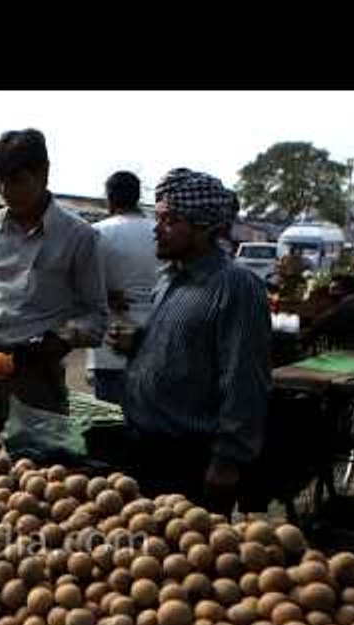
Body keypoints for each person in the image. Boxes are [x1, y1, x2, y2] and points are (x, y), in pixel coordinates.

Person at [109, 168, 271, 514]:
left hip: (190, 460)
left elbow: (243, 380)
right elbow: (188, 348)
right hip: (143, 447)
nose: (157, 228)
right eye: (158, 217)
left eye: (169, 221)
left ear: (204, 226)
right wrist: (139, 342)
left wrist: (228, 460)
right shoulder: (169, 277)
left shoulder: (236, 287)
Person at [0, 129, 107, 460]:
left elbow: (96, 317)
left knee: (42, 477)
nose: (6, 191)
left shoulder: (79, 236)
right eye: (0, 181)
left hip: (41, 381)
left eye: (17, 180)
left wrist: (61, 338)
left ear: (44, 173)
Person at [86, 171, 157, 405]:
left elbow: (78, 289)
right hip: (157, 344)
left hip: (110, 347)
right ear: (137, 196)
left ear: (109, 198)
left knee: (111, 428)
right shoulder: (162, 232)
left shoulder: (97, 233)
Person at [304, 273, 354, 352]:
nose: (330, 293)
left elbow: (320, 324)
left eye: (334, 289)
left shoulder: (351, 304)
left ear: (346, 289)